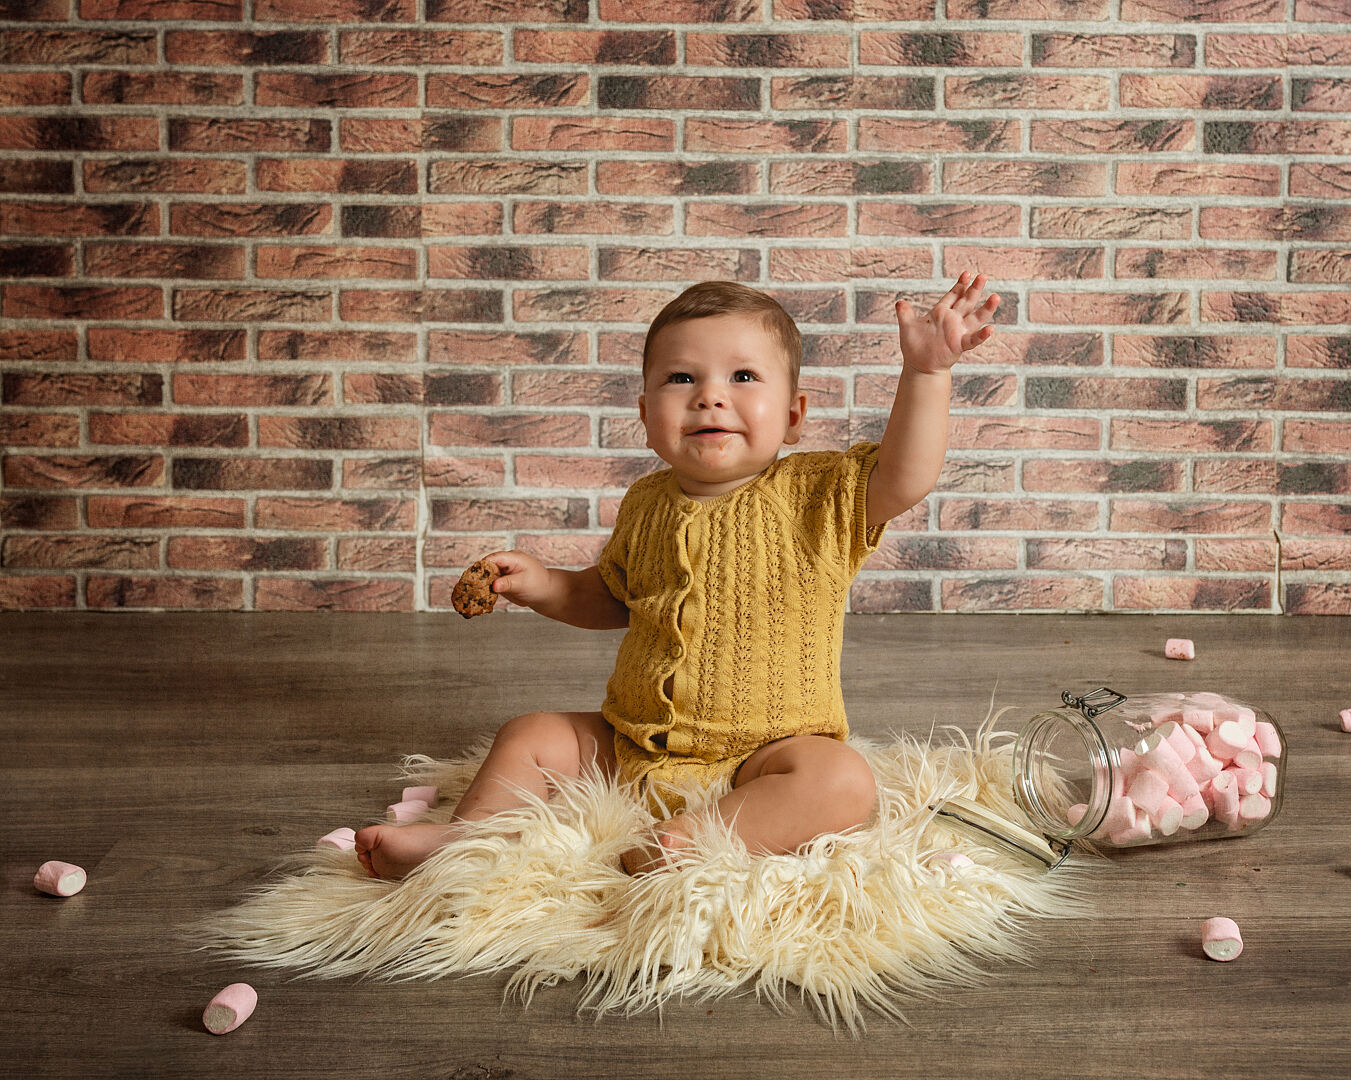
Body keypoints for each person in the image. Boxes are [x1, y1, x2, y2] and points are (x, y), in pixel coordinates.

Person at [356, 273, 1000, 880]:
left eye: (743, 376)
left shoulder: (822, 495)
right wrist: (543, 584)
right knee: (532, 734)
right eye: (681, 378)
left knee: (843, 780)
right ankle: (470, 838)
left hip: (763, 758)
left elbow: (905, 476)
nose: (710, 395)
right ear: (644, 412)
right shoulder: (646, 502)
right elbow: (612, 597)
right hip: (635, 744)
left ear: (795, 415)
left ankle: (692, 841)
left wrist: (926, 372)